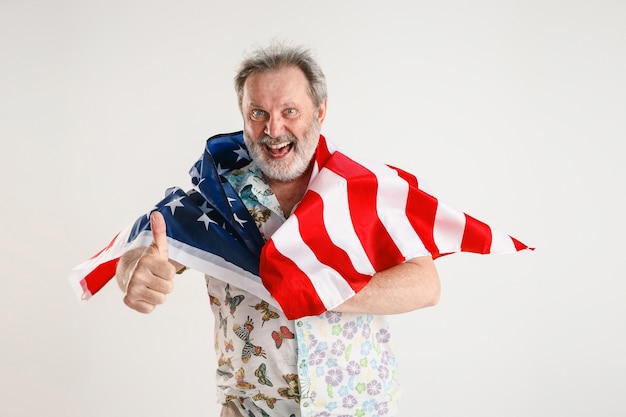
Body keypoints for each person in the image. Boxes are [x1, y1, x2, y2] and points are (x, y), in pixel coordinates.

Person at [115, 42, 441, 417]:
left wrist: (316, 288)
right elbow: (146, 254)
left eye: (289, 111)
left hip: (361, 408)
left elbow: (426, 285)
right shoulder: (214, 200)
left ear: (319, 111)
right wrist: (133, 274)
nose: (273, 129)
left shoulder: (361, 192)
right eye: (258, 113)